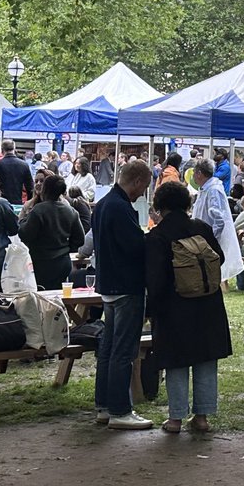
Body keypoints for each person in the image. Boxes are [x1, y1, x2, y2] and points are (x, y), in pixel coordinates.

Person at [146, 180, 233, 433]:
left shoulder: (157, 236)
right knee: (205, 359)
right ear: (187, 203)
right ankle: (202, 417)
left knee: (176, 362)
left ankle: (175, 419)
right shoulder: (202, 228)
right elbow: (220, 258)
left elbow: (155, 279)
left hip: (174, 307)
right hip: (208, 304)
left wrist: (152, 311)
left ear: (159, 206)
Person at [93, 159, 154, 430]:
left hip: (107, 285)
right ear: (138, 181)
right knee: (123, 350)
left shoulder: (104, 204)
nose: (142, 194)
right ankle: (120, 410)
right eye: (144, 188)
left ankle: (104, 406)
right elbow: (135, 247)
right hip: (126, 286)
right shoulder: (121, 208)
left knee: (107, 349)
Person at [19, 174, 85, 289]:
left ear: (45, 190)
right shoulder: (71, 211)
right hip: (63, 262)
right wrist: (67, 247)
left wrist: (23, 221)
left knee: (42, 297)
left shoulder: (38, 210)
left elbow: (25, 235)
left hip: (40, 262)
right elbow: (80, 239)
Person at [192, 158, 244, 285]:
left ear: (199, 173)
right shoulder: (206, 188)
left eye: (194, 172)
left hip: (208, 239)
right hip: (202, 237)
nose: (193, 175)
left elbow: (218, 218)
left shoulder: (213, 190)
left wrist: (211, 238)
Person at [0, 139, 33, 206]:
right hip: (17, 202)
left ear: (2, 150)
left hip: (0, 202)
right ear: (14, 149)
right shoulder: (24, 165)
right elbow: (30, 187)